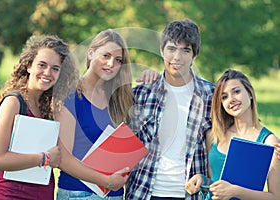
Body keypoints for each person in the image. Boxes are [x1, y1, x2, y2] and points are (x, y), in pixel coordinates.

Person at [56, 29, 159, 200]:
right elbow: (63, 159)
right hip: (78, 194)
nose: (111, 64)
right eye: (106, 56)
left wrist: (154, 77)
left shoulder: (120, 99)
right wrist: (106, 180)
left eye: (118, 60)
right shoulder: (70, 95)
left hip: (116, 195)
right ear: (91, 53)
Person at [125, 19, 215, 200]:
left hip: (191, 194)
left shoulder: (211, 95)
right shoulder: (142, 93)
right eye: (172, 49)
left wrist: (270, 143)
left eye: (185, 50)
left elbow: (239, 129)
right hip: (144, 191)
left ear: (194, 55)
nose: (177, 57)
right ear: (161, 50)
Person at [0, 34, 79, 200]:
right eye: (42, 65)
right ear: (29, 65)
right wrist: (44, 158)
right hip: (10, 194)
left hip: (42, 193)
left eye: (55, 68)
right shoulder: (13, 103)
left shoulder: (50, 109)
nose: (47, 73)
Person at [185, 69, 280, 199]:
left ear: (250, 93)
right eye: (224, 97)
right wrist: (200, 179)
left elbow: (275, 196)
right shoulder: (214, 135)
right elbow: (215, 180)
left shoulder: (269, 142)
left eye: (236, 91)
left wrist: (235, 191)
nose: (231, 99)